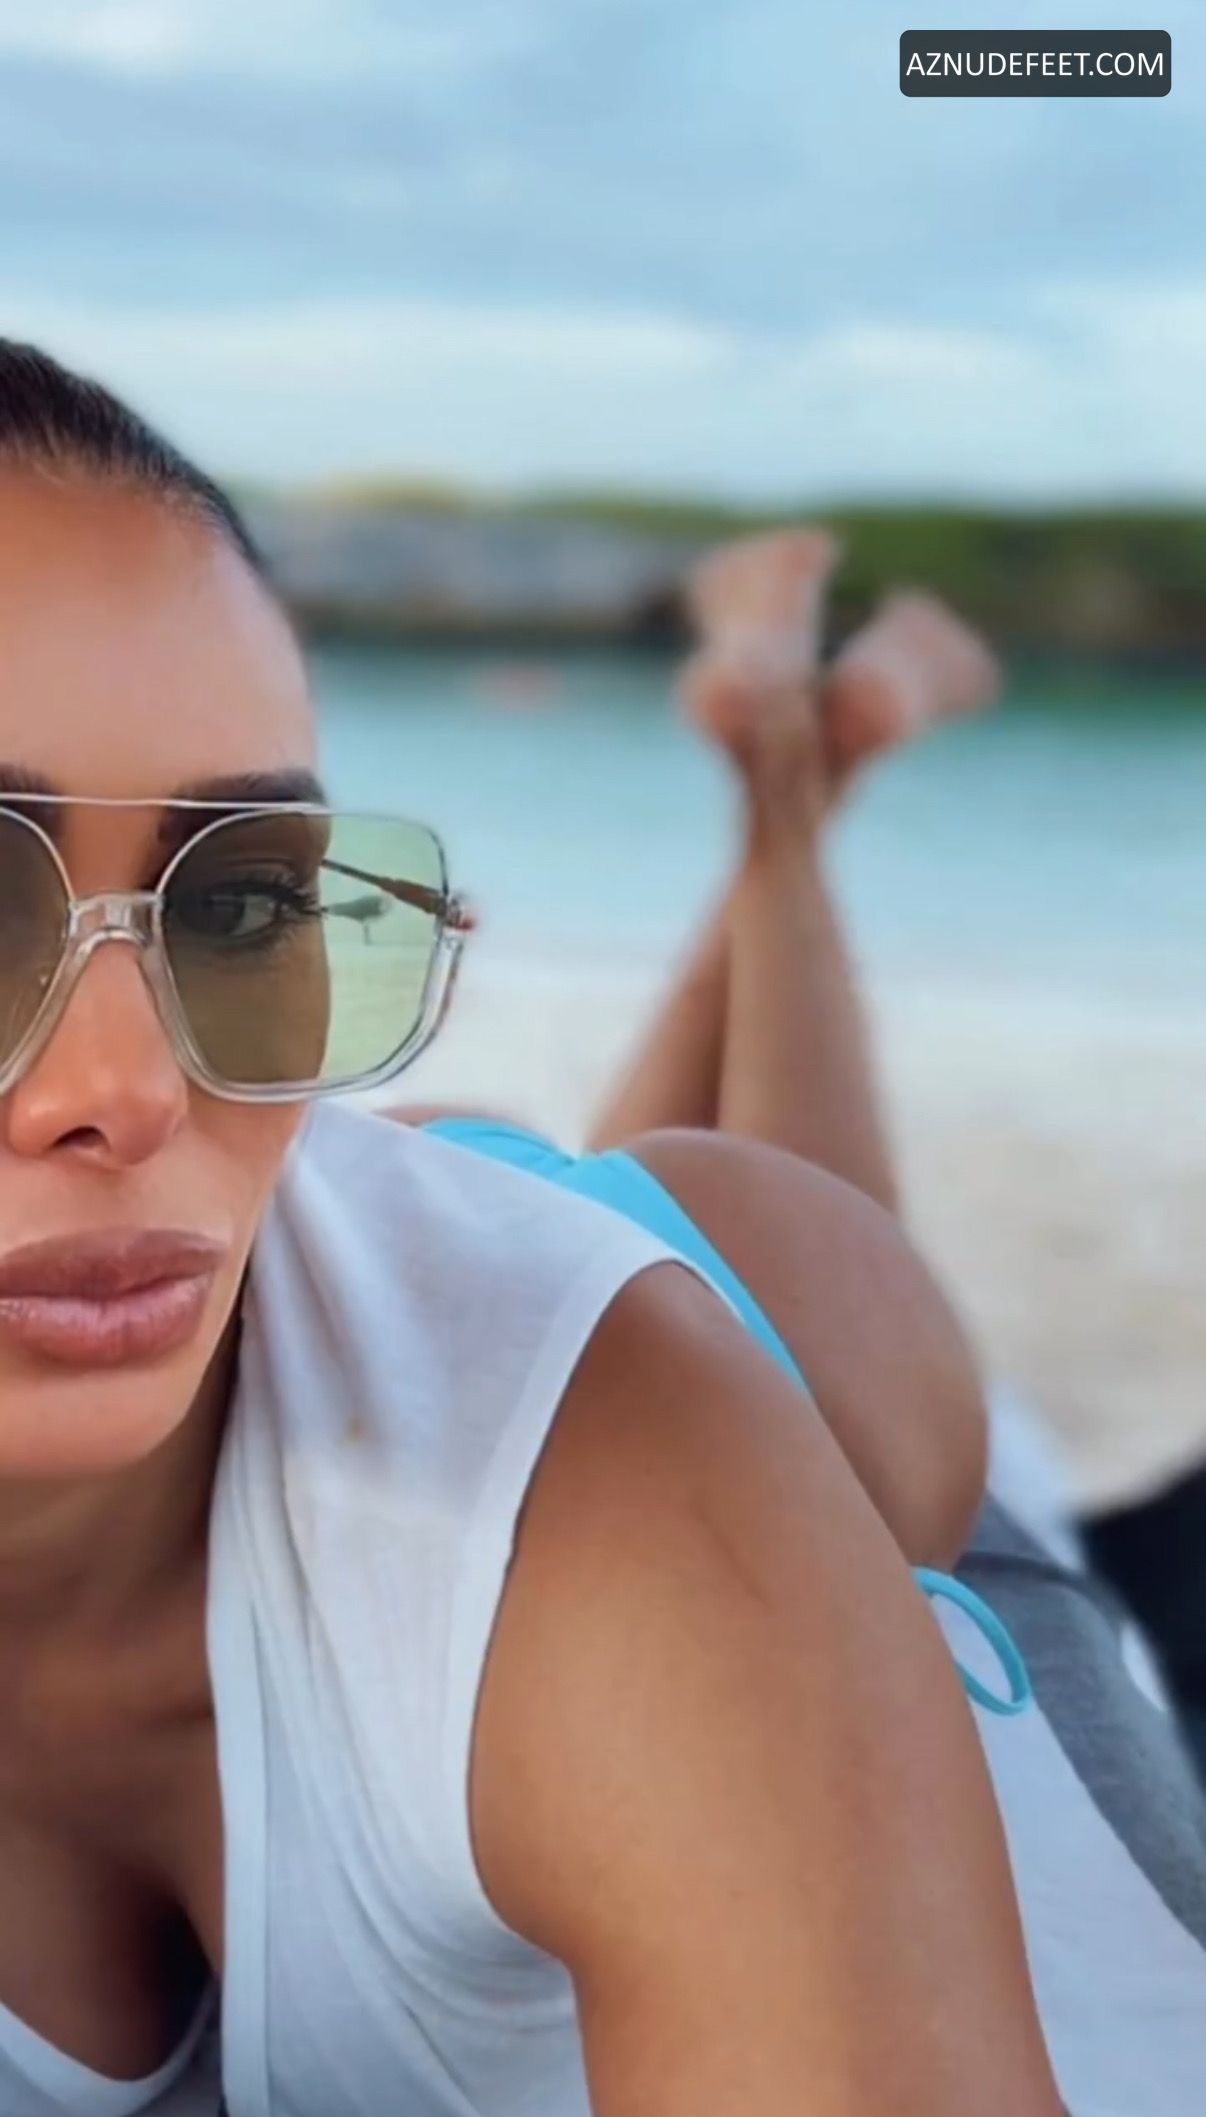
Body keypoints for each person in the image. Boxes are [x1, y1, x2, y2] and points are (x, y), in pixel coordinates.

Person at [0, 343, 1061, 2116]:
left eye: (240, 900)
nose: (132, 1086)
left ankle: (783, 795)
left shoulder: (610, 1477)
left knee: (810, 1337)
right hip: (383, 1251)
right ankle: (784, 753)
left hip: (706, 1304)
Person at [418, 525, 1206, 2117]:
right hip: (960, 1749)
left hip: (918, 1701)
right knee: (662, 1268)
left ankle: (793, 770)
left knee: (662, 1285)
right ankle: (791, 771)